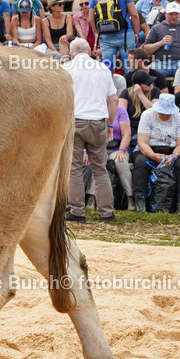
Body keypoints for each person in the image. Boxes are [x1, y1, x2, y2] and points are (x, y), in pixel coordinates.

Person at [65, 38, 119, 222]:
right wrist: (110, 124)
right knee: (100, 169)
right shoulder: (103, 69)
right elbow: (114, 100)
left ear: (72, 54)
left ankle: (77, 211)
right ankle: (107, 212)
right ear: (89, 51)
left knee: (74, 169)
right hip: (97, 122)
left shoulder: (67, 69)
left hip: (75, 122)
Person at [131, 93, 180, 214]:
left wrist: (175, 156)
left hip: (171, 150)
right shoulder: (147, 115)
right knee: (141, 163)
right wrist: (152, 155)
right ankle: (139, 200)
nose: (164, 115)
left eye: (167, 113)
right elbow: (142, 141)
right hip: (148, 149)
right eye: (162, 112)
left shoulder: (179, 117)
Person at [89, 0, 147, 72]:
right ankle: (131, 88)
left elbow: (90, 19)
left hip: (105, 36)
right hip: (125, 34)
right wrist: (136, 33)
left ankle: (109, 88)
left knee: (107, 69)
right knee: (129, 67)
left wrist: (99, 31)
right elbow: (134, 14)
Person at [143, 2, 180, 79]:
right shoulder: (156, 28)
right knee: (148, 72)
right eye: (171, 14)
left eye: (176, 14)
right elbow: (146, 48)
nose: (174, 17)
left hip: (179, 62)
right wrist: (160, 43)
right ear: (165, 14)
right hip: (160, 63)